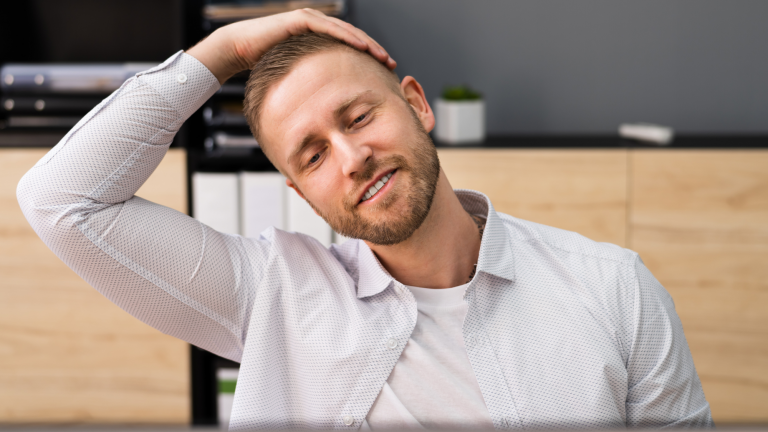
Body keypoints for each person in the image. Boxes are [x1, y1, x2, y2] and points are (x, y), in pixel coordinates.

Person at [17, 9, 713, 430]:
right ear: (299, 191)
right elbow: (62, 200)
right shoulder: (269, 294)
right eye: (313, 154)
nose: (351, 158)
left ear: (416, 103)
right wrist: (223, 51)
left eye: (358, 117)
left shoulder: (615, 289)